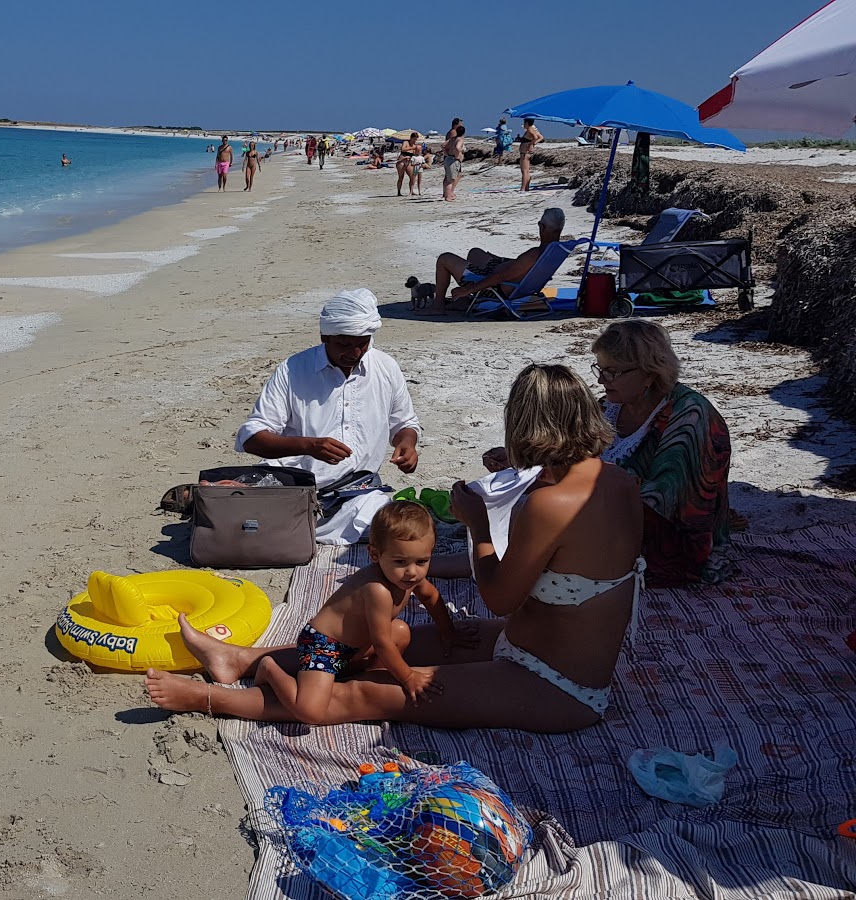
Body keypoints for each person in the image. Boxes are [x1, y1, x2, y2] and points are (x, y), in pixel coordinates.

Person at [148, 364, 644, 732]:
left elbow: (498, 596)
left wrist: (478, 528)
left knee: (369, 691)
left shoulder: (550, 503)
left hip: (554, 683)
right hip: (536, 646)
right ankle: (240, 661)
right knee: (364, 646)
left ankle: (206, 698)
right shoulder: (617, 481)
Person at [238, 502, 459, 722]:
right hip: (323, 646)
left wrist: (448, 631)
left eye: (422, 561)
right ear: (374, 554)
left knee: (400, 631)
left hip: (353, 646)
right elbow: (381, 643)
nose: (412, 572)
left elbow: (431, 597)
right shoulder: (378, 590)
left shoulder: (406, 577)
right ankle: (269, 669)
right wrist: (408, 676)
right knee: (310, 712)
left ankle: (358, 678)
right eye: (400, 561)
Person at [235, 289, 421, 544]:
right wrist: (309, 446)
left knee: (397, 533)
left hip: (357, 493)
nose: (355, 353)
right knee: (245, 528)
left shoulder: (386, 367)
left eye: (362, 343)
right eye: (344, 344)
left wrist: (407, 444)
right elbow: (252, 437)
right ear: (324, 336)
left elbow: (404, 423)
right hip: (293, 490)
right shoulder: (292, 370)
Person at [589, 321, 733, 585]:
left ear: (649, 373)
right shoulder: (610, 406)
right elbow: (574, 450)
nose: (600, 379)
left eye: (612, 372)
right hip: (610, 521)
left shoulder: (690, 417)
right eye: (600, 368)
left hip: (667, 542)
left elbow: (668, 499)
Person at [423, 207, 565, 314]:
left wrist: (468, 289)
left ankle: (438, 305)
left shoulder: (534, 254)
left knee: (444, 258)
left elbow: (499, 277)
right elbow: (521, 268)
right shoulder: (556, 250)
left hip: (496, 288)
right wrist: (502, 260)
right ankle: (462, 303)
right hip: (519, 284)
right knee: (475, 253)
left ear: (542, 227)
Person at [441, 124, 465, 201]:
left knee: (447, 178)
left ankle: (446, 194)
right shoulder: (460, 139)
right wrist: (460, 152)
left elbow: (443, 145)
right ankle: (448, 196)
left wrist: (446, 153)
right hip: (453, 160)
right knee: (450, 180)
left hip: (448, 158)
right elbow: (458, 147)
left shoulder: (452, 139)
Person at [519, 118, 543, 191]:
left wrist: (531, 144)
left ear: (526, 123)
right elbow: (541, 137)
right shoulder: (532, 129)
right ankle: (526, 188)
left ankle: (523, 188)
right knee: (526, 171)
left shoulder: (530, 128)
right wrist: (533, 143)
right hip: (525, 152)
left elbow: (536, 137)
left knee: (524, 171)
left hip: (525, 152)